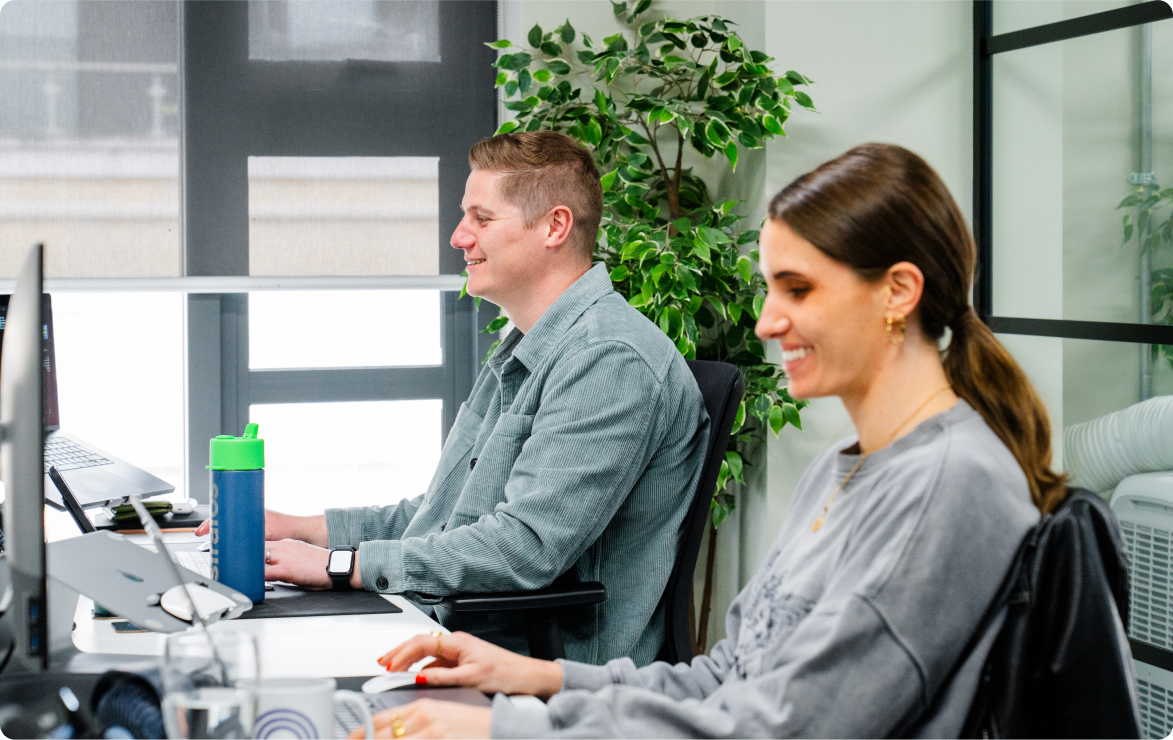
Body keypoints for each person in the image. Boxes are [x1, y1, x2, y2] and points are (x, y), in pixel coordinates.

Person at [352, 142, 1067, 739]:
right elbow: (730, 677)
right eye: (767, 289)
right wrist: (537, 678)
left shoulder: (948, 485)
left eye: (797, 290)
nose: (764, 322)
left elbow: (781, 729)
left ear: (897, 292)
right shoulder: (837, 472)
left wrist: (508, 727)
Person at [197, 131, 710, 665]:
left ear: (554, 226)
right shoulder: (527, 346)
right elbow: (442, 516)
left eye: (481, 219)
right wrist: (303, 531)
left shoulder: (609, 359)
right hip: (455, 629)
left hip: (531, 666)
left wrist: (337, 566)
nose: (458, 237)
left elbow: (523, 548)